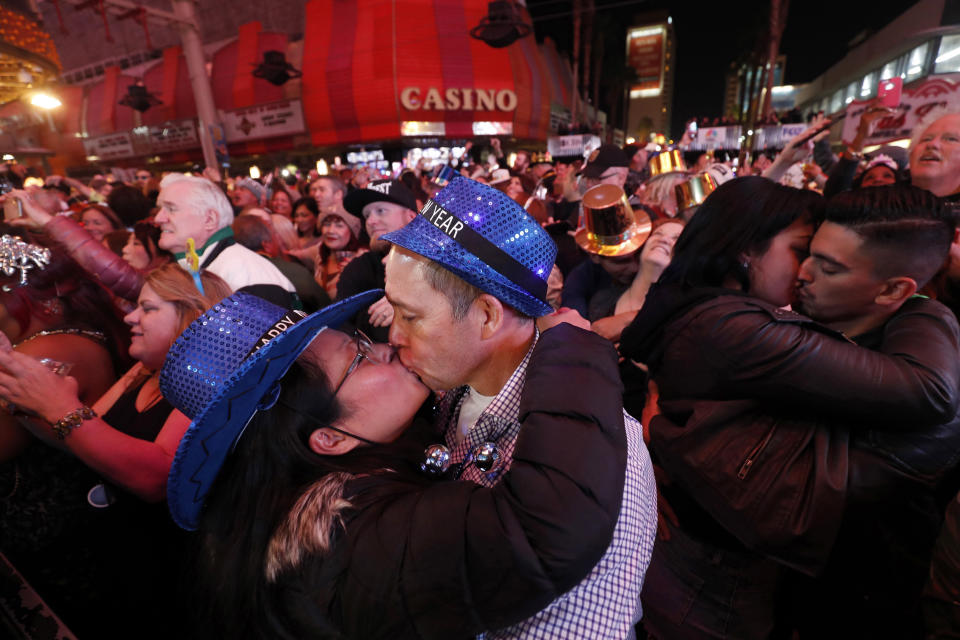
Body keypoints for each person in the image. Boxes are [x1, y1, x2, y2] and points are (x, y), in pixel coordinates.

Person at [159, 290, 628, 639]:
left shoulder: (332, 488)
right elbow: (544, 530)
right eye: (358, 358)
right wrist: (569, 352)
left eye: (363, 338)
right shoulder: (344, 539)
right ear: (330, 437)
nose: (388, 344)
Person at [619, 180, 960, 639]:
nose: (805, 273)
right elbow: (927, 394)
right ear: (745, 251)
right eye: (805, 251)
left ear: (890, 289)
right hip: (722, 578)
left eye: (827, 264)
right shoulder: (733, 325)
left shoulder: (741, 319)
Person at [382, 177, 657, 638]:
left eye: (410, 316)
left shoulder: (599, 463)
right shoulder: (451, 389)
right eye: (392, 310)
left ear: (487, 316)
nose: (393, 336)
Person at [0, 262, 230, 638]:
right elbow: (84, 439)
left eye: (149, 308)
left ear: (192, 316)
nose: (131, 318)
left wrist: (60, 406)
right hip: (115, 553)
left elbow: (157, 476)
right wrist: (21, 393)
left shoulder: (210, 380)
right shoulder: (144, 369)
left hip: (163, 564)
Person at [154, 173, 297, 306]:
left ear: (210, 219)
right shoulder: (199, 266)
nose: (158, 219)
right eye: (160, 209)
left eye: (171, 209)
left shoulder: (246, 277)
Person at [337, 179, 419, 342]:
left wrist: (416, 301)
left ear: (410, 216)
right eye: (367, 215)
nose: (370, 221)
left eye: (380, 210)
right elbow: (339, 328)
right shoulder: (359, 269)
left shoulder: (442, 262)